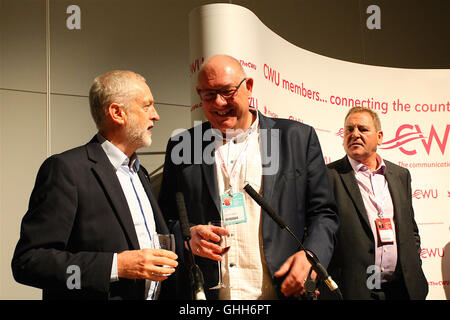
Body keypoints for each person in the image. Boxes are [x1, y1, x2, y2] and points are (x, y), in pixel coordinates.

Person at [158, 55, 338, 300]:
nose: (219, 102)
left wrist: (312, 257)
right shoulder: (182, 145)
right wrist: (187, 236)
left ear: (249, 86)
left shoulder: (296, 138)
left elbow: (323, 214)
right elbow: (164, 219)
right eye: (209, 95)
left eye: (227, 91)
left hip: (281, 292)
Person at [11, 70, 178, 300]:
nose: (156, 115)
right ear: (117, 113)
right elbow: (29, 262)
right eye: (147, 106)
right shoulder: (67, 170)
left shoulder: (141, 174)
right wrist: (116, 265)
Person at [323, 106, 428, 300]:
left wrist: (413, 264)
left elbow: (410, 229)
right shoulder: (328, 176)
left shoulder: (400, 175)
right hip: (354, 290)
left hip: (402, 289)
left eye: (362, 129)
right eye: (349, 129)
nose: (354, 134)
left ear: (379, 137)